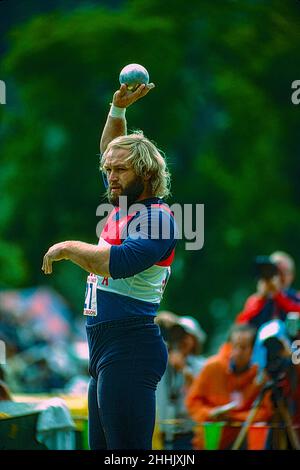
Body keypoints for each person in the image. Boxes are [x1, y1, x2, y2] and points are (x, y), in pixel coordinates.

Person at [42, 81, 177, 449]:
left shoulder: (158, 217)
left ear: (146, 175)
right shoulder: (125, 205)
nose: (111, 177)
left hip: (130, 347)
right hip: (105, 350)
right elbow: (110, 151)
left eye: (120, 171)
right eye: (109, 170)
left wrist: (69, 247)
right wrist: (117, 110)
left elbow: (119, 262)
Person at [185, 323, 273, 450]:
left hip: (245, 442)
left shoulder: (260, 375)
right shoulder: (213, 367)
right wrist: (210, 413)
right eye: (234, 346)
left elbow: (266, 412)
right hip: (210, 443)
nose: (237, 352)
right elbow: (192, 402)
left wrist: (233, 417)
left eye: (243, 347)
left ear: (253, 350)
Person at [155, 312, 206, 449]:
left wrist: (183, 369)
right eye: (179, 336)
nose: (183, 340)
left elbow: (203, 393)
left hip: (189, 432)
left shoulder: (202, 365)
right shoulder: (162, 362)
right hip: (162, 432)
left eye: (188, 336)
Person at [236, 251, 300, 330]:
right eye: (274, 270)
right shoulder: (255, 299)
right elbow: (241, 326)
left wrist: (278, 295)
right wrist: (261, 298)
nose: (278, 276)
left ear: (291, 276)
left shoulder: (296, 296)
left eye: (283, 271)